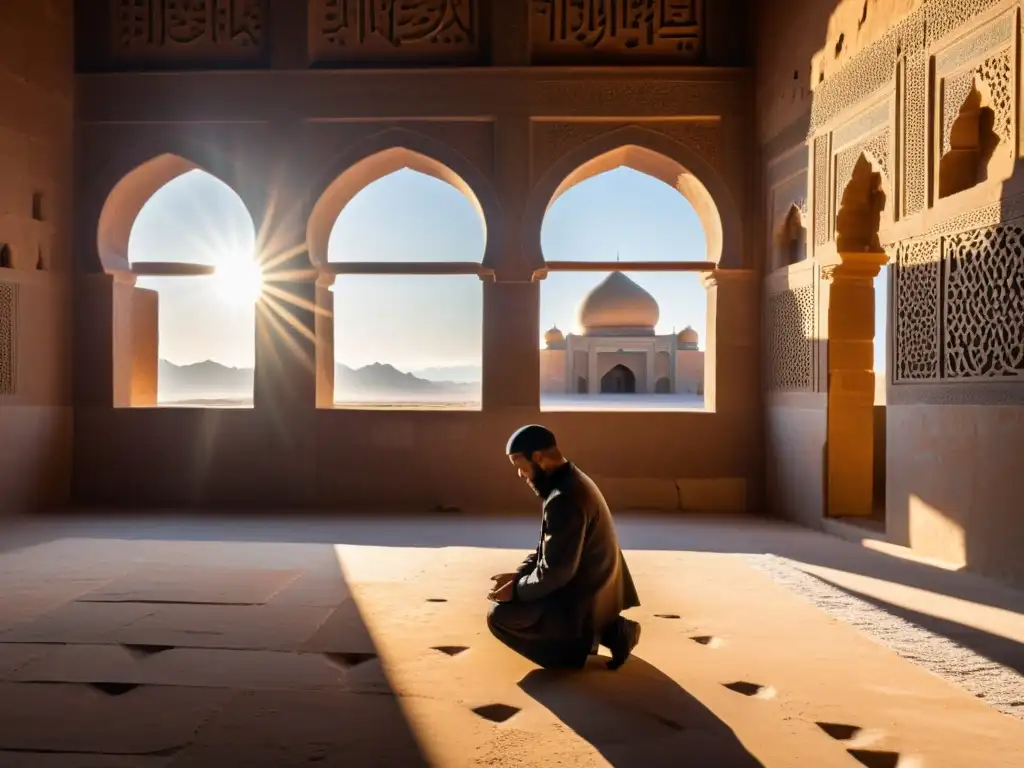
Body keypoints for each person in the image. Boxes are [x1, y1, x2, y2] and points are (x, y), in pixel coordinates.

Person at [486, 424, 642, 670]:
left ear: (538, 458)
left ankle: (572, 652)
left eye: (520, 466)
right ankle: (613, 631)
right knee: (519, 595)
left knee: (500, 616)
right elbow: (548, 548)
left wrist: (516, 590)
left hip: (585, 596)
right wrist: (520, 575)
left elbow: (556, 572)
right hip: (600, 590)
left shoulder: (564, 498)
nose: (520, 474)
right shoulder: (571, 479)